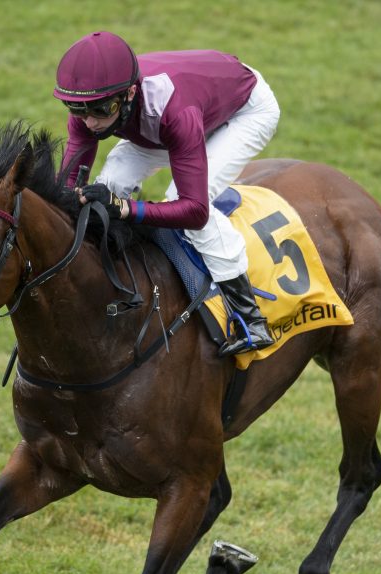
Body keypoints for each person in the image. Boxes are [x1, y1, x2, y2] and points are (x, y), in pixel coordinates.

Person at [54, 31, 281, 356]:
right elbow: (69, 184)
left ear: (129, 93)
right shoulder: (92, 107)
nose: (89, 122)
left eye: (101, 110)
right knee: (111, 180)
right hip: (174, 117)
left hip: (241, 113)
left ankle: (249, 318)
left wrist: (125, 209)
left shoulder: (174, 111)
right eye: (76, 110)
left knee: (184, 203)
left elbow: (194, 209)